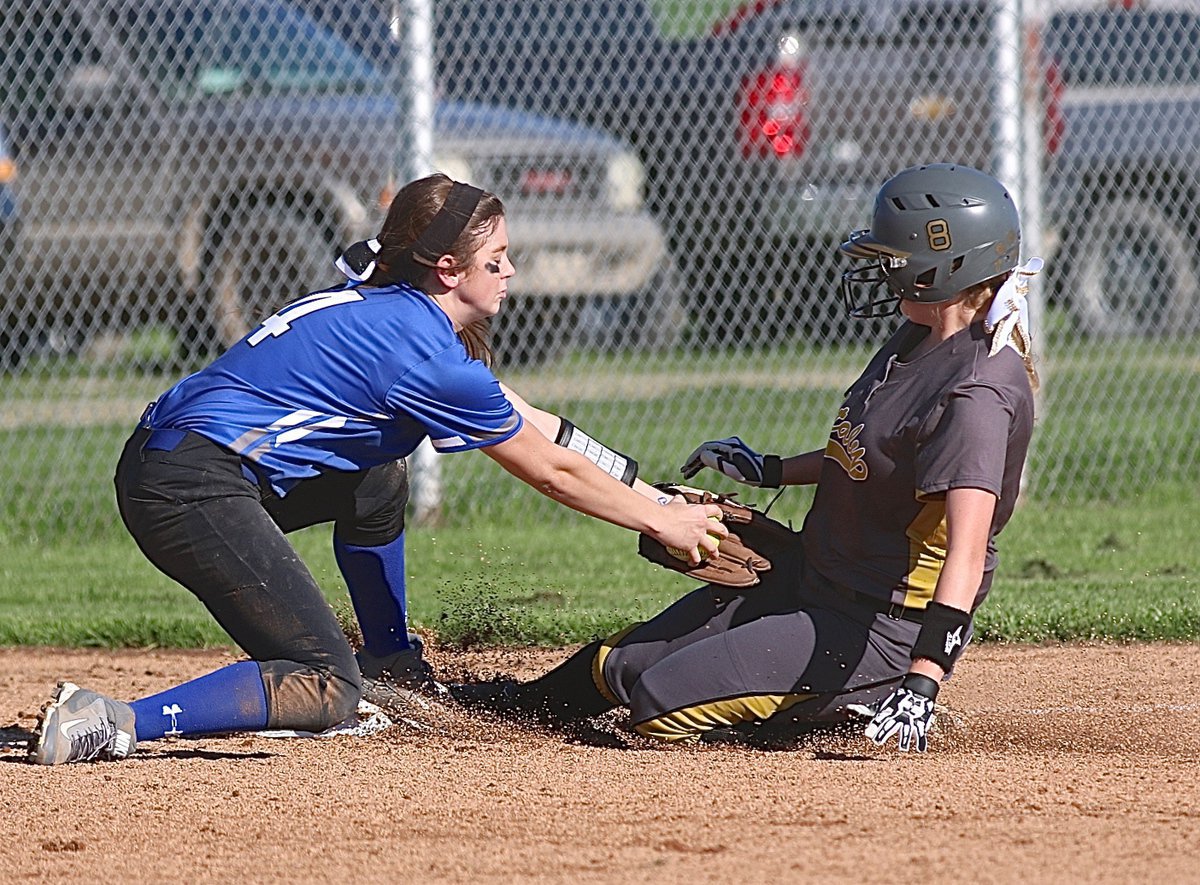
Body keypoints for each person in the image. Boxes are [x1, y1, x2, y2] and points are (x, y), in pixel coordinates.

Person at [29, 173, 726, 765]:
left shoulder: (398, 311)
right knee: (327, 685)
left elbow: (531, 418)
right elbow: (549, 470)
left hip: (181, 461)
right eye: (497, 260)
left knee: (377, 474)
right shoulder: (421, 353)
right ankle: (111, 720)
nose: (511, 271)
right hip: (189, 486)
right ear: (447, 270)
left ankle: (392, 664)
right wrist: (660, 521)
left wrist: (649, 491)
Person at [453, 163, 1041, 752]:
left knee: (658, 703)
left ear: (942, 265)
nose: (880, 272)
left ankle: (849, 701)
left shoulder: (975, 396)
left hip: (877, 627)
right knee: (624, 666)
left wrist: (923, 680)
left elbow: (965, 552)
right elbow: (870, 457)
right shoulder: (917, 337)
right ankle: (509, 712)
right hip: (813, 578)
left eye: (891, 260)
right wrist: (773, 470)